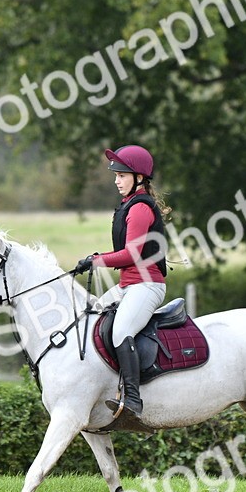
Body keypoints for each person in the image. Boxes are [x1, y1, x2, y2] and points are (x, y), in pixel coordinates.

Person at [72, 144, 169, 424]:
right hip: (128, 285)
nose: (116, 180)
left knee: (121, 331)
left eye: (122, 175)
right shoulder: (128, 205)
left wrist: (96, 260)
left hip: (147, 286)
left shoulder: (139, 208)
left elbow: (132, 254)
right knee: (89, 321)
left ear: (139, 177)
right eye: (116, 175)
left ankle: (133, 401)